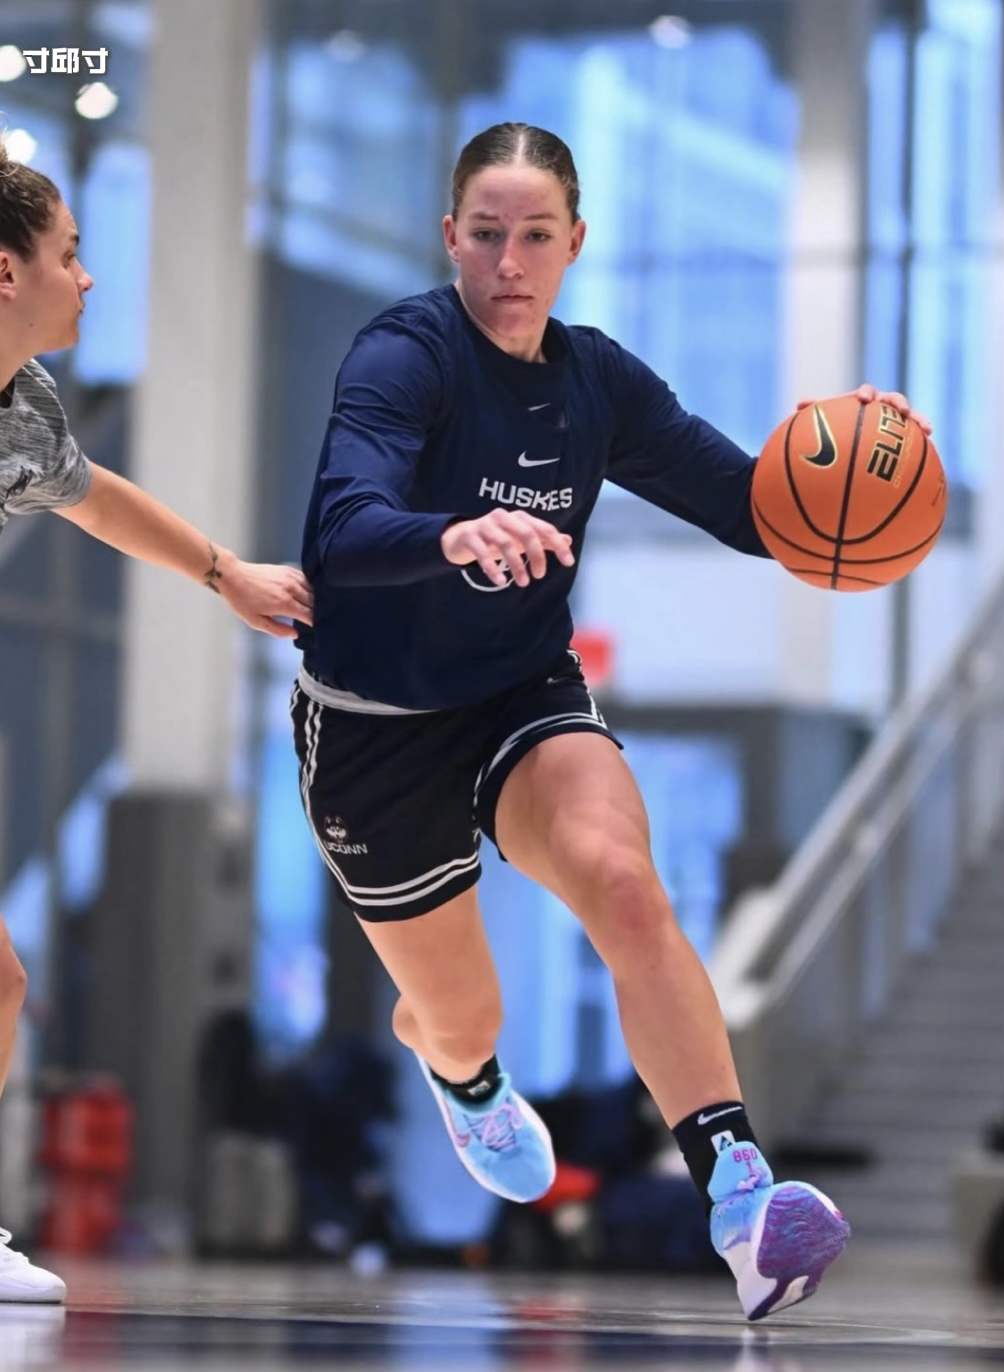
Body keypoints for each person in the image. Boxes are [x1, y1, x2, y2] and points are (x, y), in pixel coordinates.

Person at [292, 122, 929, 1320]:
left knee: (625, 886)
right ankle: (462, 1076)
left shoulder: (596, 382)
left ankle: (742, 1206)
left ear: (575, 241)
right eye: (487, 234)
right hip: (374, 725)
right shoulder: (404, 356)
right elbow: (340, 528)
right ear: (450, 237)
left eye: (536, 235)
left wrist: (855, 455)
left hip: (519, 692)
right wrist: (453, 533)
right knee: (461, 1016)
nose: (510, 262)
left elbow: (755, 509)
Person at [0, 143, 312, 1299]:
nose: (88, 278)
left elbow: (90, 495)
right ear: (5, 271)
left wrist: (224, 572)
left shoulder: (25, 407)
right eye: (70, 254)